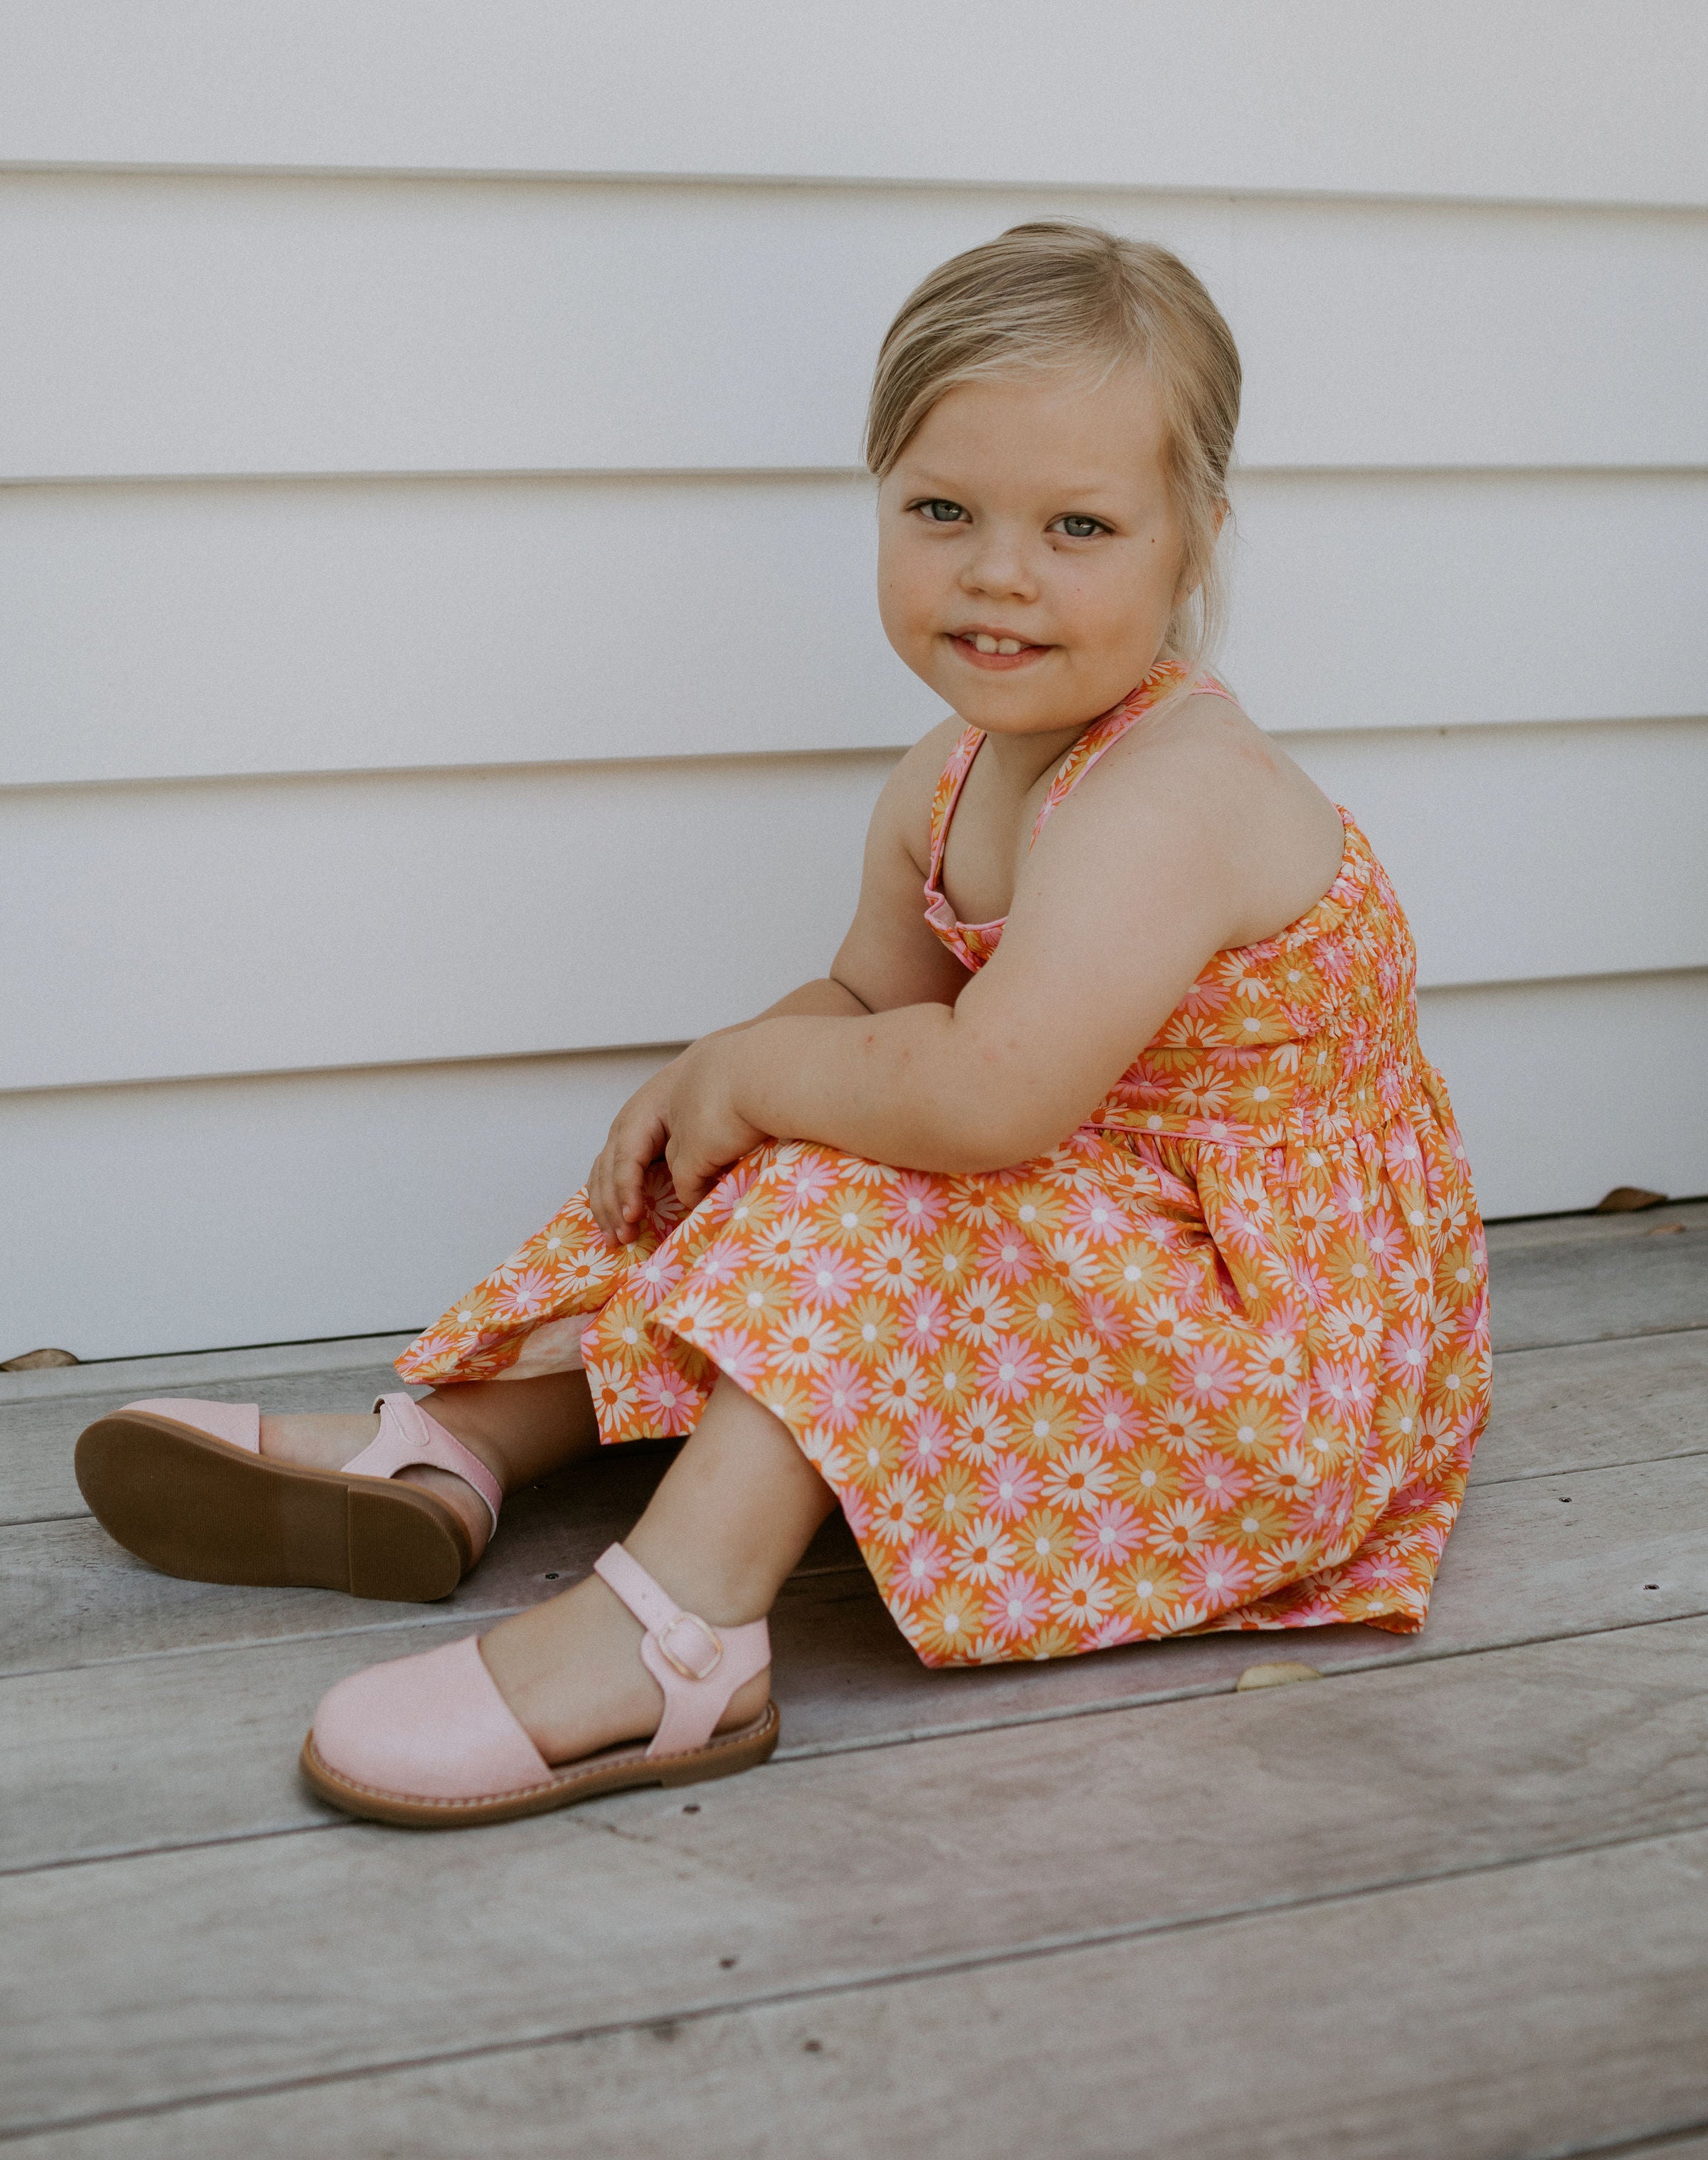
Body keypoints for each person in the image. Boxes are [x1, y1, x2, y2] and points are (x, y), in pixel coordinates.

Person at [77, 224, 1490, 1828]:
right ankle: (468, 1438)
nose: (999, 571)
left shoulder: (1175, 796)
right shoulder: (947, 774)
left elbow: (983, 1102)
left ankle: (681, 1629)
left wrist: (764, 1077)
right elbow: (883, 1014)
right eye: (941, 510)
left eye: (1079, 525)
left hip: (1265, 1347)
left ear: (1195, 541)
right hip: (1086, 1204)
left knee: (869, 1168)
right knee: (778, 1130)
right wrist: (720, 1091)